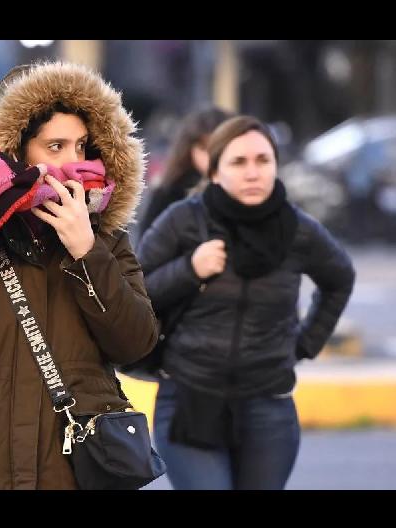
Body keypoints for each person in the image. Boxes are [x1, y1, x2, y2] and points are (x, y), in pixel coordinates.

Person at [0, 61, 159, 489]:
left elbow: (136, 343)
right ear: (16, 151)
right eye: (55, 146)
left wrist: (86, 252)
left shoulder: (106, 239)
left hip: (71, 470)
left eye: (82, 147)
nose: (74, 163)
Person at [137, 116, 355, 490]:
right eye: (239, 162)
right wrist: (189, 269)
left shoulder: (297, 229)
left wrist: (304, 344)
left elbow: (339, 278)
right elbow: (134, 294)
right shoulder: (183, 220)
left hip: (268, 405)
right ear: (216, 171)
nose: (253, 172)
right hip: (190, 398)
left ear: (275, 166)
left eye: (262, 160)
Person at [136, 106, 232, 241]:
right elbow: (146, 252)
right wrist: (190, 260)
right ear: (189, 150)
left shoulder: (245, 188)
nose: (211, 156)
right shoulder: (168, 194)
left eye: (218, 147)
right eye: (204, 148)